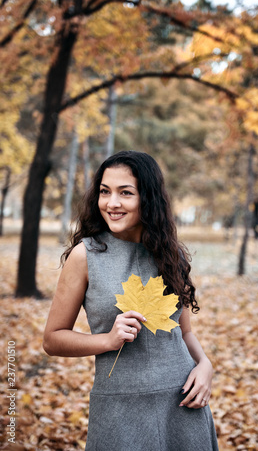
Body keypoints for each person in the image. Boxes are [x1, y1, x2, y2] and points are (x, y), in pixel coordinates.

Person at [43, 150, 218, 451]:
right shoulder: (86, 255)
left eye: (125, 193)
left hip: (182, 403)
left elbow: (184, 331)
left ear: (147, 198)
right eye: (104, 192)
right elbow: (52, 339)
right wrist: (108, 340)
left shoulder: (169, 254)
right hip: (119, 407)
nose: (112, 203)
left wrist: (205, 365)